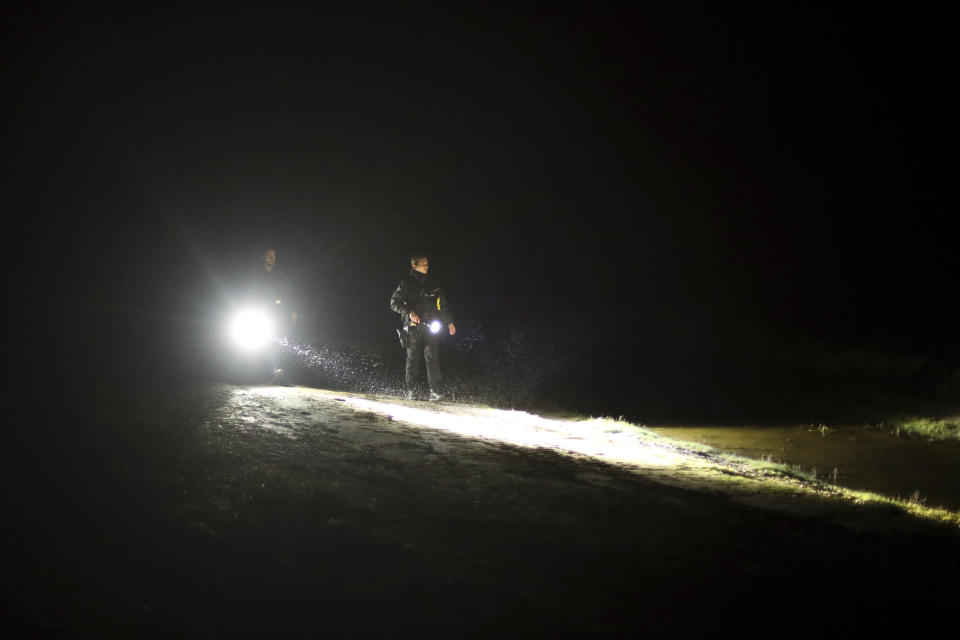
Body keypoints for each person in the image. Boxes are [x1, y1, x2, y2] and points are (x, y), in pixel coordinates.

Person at [390, 254, 456, 401]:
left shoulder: (434, 282)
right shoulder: (406, 283)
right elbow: (394, 303)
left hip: (432, 326)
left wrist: (450, 322)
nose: (426, 266)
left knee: (433, 359)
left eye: (427, 263)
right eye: (423, 264)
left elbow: (443, 304)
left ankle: (435, 392)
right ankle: (411, 391)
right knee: (412, 360)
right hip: (413, 328)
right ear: (414, 266)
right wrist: (410, 312)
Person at [250, 247, 297, 384]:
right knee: (256, 343)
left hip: (274, 315)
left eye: (273, 256)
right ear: (262, 257)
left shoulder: (279, 276)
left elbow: (287, 294)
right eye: (268, 256)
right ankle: (257, 373)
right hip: (258, 312)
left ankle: (275, 373)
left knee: (274, 343)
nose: (271, 258)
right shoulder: (255, 274)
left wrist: (292, 310)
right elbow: (250, 292)